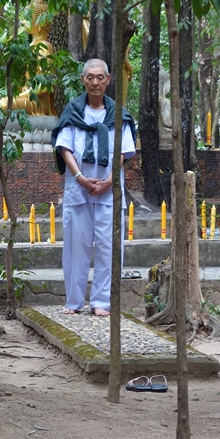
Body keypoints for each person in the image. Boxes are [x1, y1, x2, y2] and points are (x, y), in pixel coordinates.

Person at [52, 58, 137, 317]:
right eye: (90, 77)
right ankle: (74, 300)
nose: (95, 82)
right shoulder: (73, 111)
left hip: (109, 191)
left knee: (108, 246)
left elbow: (124, 151)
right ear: (83, 80)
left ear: (108, 80)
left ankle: (102, 301)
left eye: (100, 77)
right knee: (77, 247)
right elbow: (64, 147)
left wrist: (110, 180)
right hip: (79, 190)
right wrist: (79, 177)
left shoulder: (118, 113)